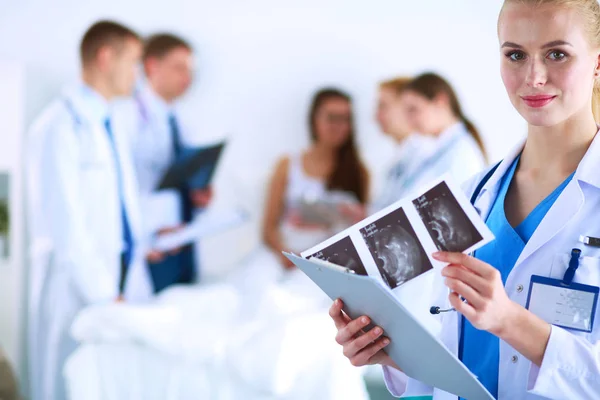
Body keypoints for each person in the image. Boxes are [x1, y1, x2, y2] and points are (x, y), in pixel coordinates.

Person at [329, 0, 600, 398]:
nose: (533, 76)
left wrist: (510, 322)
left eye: (557, 54)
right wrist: (389, 353)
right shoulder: (469, 196)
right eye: (515, 55)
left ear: (597, 63)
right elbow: (459, 352)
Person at [25, 21, 150, 400]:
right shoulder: (59, 126)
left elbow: (119, 208)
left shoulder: (109, 123)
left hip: (115, 280)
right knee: (63, 385)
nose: (137, 74)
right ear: (105, 57)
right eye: (133, 62)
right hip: (75, 289)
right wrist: (103, 295)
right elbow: (67, 228)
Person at [118, 33, 213, 293]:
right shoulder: (127, 118)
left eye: (190, 70)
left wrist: (199, 196)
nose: (188, 77)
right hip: (151, 243)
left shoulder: (180, 120)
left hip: (183, 238)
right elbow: (121, 191)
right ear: (151, 66)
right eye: (179, 67)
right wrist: (145, 235)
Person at [262, 88, 370, 269]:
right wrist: (287, 256)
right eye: (332, 118)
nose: (339, 126)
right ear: (314, 119)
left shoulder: (359, 172)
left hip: (330, 266)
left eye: (345, 119)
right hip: (286, 259)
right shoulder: (288, 164)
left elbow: (360, 233)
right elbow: (268, 228)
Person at [370, 76, 435, 212]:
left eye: (383, 106)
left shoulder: (426, 155)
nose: (376, 116)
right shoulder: (400, 157)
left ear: (405, 106)